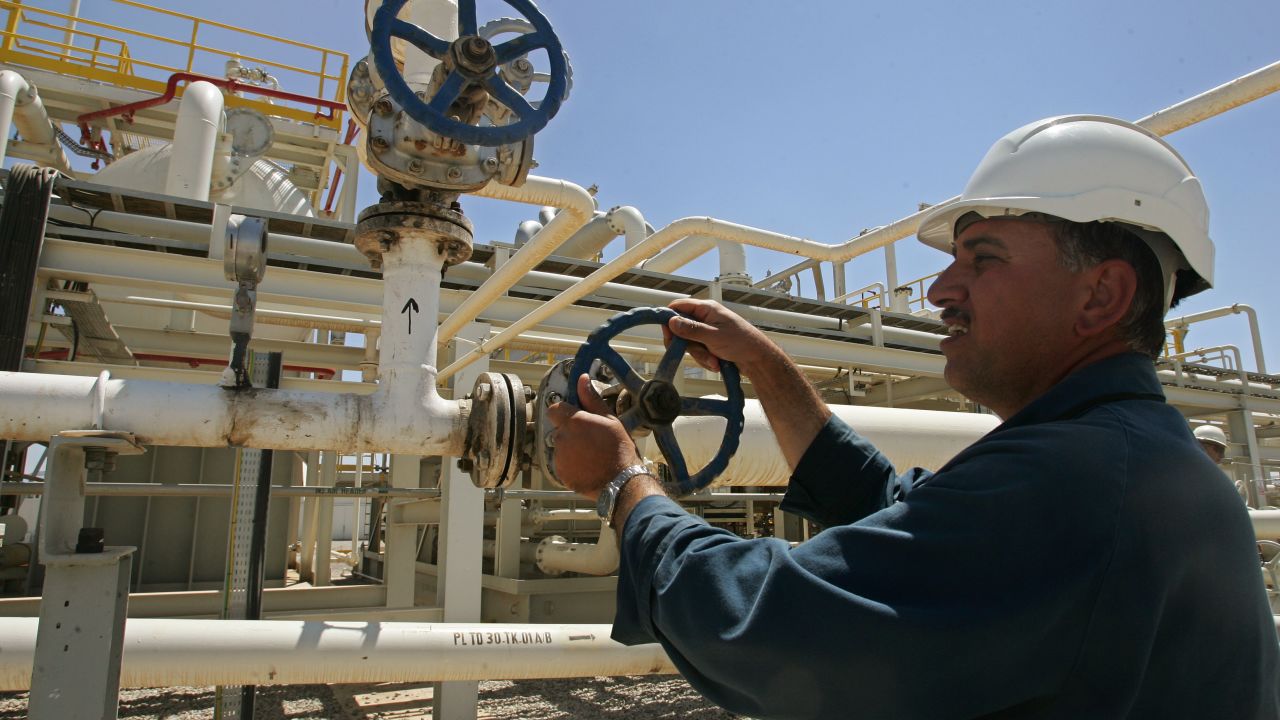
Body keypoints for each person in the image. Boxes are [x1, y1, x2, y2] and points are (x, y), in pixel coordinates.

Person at [547, 116, 1279, 719]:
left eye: (982, 259)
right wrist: (766, 367)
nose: (937, 290)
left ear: (1101, 296)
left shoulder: (1078, 482)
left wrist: (622, 485)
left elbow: (767, 630)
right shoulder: (1133, 457)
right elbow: (903, 512)